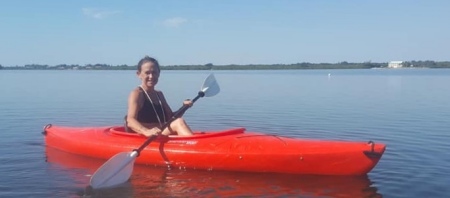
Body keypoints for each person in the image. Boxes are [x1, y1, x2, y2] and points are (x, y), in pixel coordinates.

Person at [125, 56, 194, 136]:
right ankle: (196, 146)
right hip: (147, 136)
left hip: (161, 132)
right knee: (179, 122)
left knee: (178, 121)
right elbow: (130, 120)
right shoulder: (137, 94)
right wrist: (146, 131)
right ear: (139, 74)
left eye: (154, 73)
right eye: (147, 73)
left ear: (159, 74)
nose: (151, 76)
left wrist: (184, 107)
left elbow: (171, 118)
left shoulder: (159, 94)